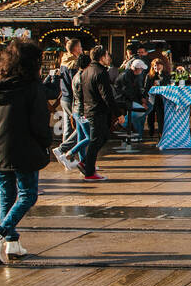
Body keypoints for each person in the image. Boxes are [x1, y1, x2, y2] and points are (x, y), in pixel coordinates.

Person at [0, 39, 53, 263]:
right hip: (25, 147)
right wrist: (46, 142)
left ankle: (12, 244)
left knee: (7, 197)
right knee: (28, 195)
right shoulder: (32, 88)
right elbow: (40, 122)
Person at [78, 45, 117, 181]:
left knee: (104, 136)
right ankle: (89, 171)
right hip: (97, 110)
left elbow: (81, 93)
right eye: (107, 55)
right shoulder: (101, 72)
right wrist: (118, 113)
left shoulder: (86, 71)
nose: (109, 58)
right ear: (101, 58)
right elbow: (107, 96)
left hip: (90, 109)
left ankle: (86, 162)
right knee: (96, 140)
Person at [53, 38, 84, 165]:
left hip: (64, 98)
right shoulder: (74, 65)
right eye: (80, 46)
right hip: (72, 99)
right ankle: (64, 151)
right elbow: (75, 85)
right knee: (82, 127)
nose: (82, 49)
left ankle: (65, 157)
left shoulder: (64, 60)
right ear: (76, 49)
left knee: (67, 127)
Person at [115, 59, 150, 140]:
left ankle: (137, 134)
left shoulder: (133, 75)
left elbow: (136, 90)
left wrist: (142, 99)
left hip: (127, 98)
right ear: (135, 69)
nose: (142, 70)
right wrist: (141, 103)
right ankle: (123, 123)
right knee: (140, 111)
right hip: (122, 99)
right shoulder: (126, 76)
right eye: (141, 68)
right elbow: (128, 93)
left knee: (143, 111)